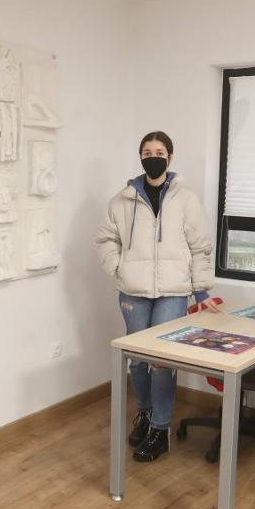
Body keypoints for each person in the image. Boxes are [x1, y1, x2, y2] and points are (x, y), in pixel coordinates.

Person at [96, 131, 217, 463]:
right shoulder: (122, 200)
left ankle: (161, 430)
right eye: (147, 151)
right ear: (140, 157)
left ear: (170, 158)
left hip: (172, 293)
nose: (153, 155)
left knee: (162, 362)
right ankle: (146, 415)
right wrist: (118, 268)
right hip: (133, 292)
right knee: (137, 359)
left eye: (159, 151)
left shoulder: (186, 199)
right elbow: (106, 240)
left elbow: (201, 247)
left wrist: (201, 289)